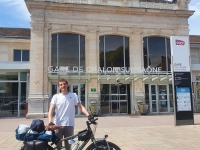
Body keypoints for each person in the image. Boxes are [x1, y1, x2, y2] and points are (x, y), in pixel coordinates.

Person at [48, 78, 94, 150]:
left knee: (68, 146)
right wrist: (50, 122)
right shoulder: (56, 97)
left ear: (67, 85)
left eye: (64, 84)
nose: (63, 86)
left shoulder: (73, 95)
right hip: (58, 125)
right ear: (59, 87)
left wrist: (88, 115)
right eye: (61, 85)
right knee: (58, 146)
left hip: (70, 125)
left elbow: (81, 107)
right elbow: (51, 110)